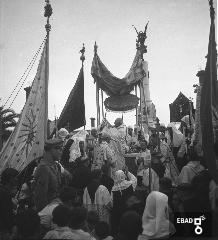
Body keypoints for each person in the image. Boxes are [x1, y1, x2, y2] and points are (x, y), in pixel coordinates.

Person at [33, 138, 63, 212]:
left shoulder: (56, 166)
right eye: (59, 149)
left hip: (55, 210)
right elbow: (40, 197)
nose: (61, 152)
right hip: (47, 213)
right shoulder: (43, 168)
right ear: (51, 150)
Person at [111, 169, 137, 235]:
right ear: (123, 175)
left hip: (118, 214)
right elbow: (134, 179)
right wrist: (128, 172)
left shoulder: (113, 189)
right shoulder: (130, 184)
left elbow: (112, 203)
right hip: (129, 211)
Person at [0, 168, 19, 239]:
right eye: (15, 177)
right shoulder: (5, 193)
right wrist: (13, 227)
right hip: (3, 229)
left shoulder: (3, 190)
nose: (17, 179)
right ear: (10, 178)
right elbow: (7, 214)